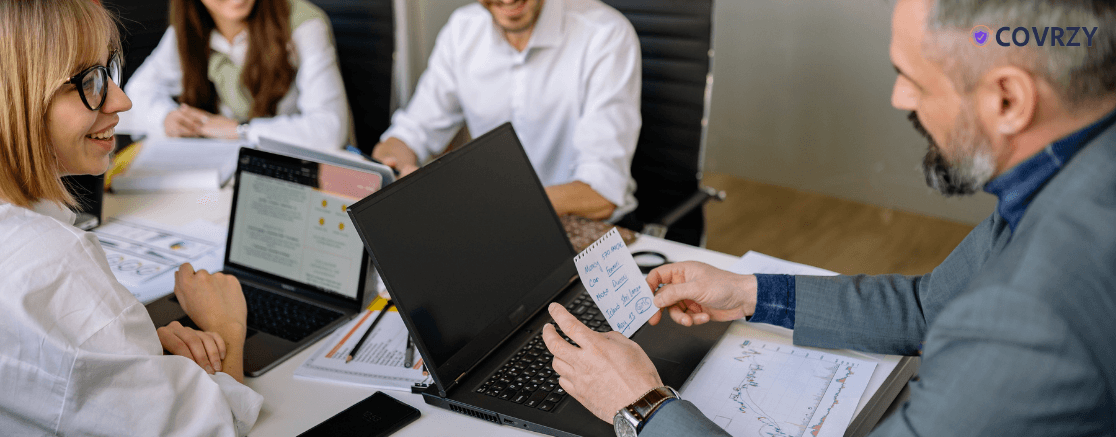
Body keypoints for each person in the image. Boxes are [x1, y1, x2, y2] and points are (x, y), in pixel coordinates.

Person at [542, 0, 1116, 435]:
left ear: (1008, 101)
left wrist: (641, 404)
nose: (899, 99)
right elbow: (929, 305)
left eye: (912, 79)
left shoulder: (1038, 311)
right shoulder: (1071, 173)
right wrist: (748, 293)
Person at [0, 1, 262, 435]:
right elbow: (210, 430)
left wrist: (129, 354)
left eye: (110, 70)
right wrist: (226, 330)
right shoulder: (53, 270)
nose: (121, 100)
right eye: (89, 81)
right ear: (17, 95)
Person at [372, 0, 641, 221]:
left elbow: (602, 193)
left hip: (583, 225)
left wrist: (488, 207)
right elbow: (410, 133)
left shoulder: (605, 33)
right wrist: (393, 167)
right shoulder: (462, 30)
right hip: (491, 220)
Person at [122, 0, 350, 151]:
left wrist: (238, 130)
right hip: (226, 163)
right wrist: (167, 118)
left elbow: (330, 130)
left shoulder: (303, 24)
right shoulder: (189, 29)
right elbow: (137, 94)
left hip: (294, 166)